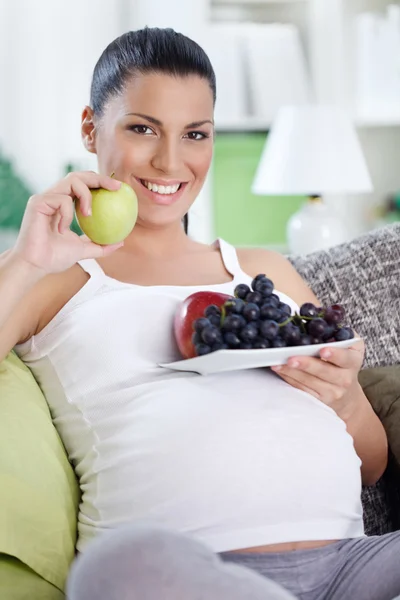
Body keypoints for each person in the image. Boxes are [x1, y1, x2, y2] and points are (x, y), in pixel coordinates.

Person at [0, 27, 399, 600]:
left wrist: (345, 396)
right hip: (191, 574)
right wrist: (25, 257)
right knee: (118, 567)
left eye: (195, 134)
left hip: (349, 568)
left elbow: (370, 466)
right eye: (142, 129)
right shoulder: (51, 275)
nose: (171, 161)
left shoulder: (265, 273)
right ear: (91, 127)